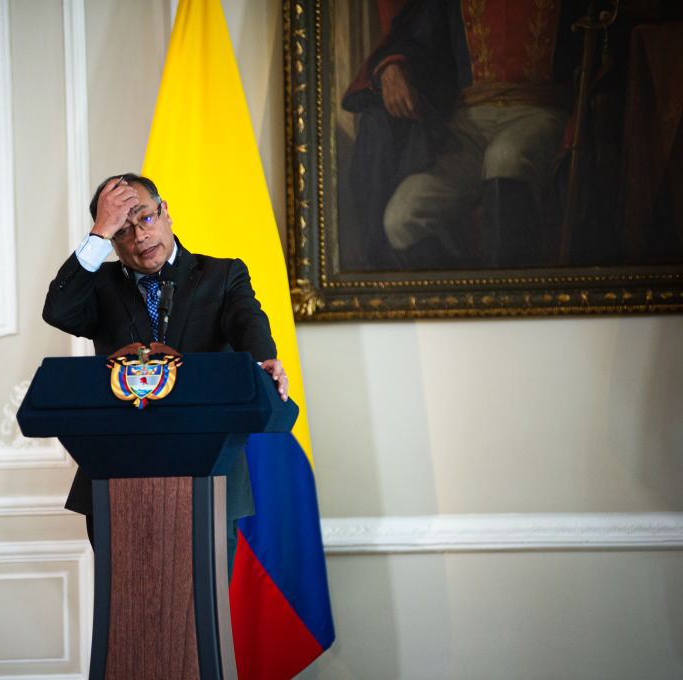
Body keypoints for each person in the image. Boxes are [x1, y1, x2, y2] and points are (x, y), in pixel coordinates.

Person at [42, 173, 288, 568]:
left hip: (209, 472)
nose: (139, 237)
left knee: (202, 616)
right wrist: (98, 234)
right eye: (122, 230)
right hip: (115, 472)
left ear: (166, 212)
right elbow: (57, 311)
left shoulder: (221, 275)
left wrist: (263, 361)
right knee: (125, 613)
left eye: (146, 219)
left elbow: (248, 322)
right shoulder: (98, 286)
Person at [342, 0, 588, 269]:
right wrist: (392, 66)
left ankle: (506, 296)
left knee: (505, 156)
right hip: (468, 124)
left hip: (540, 111)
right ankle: (462, 300)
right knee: (402, 217)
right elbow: (418, 35)